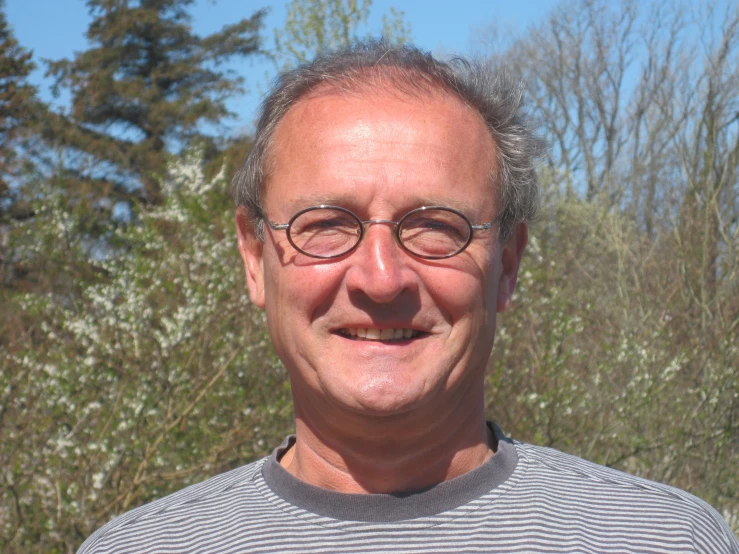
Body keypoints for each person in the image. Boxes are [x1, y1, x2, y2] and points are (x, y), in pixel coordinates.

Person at [78, 40, 739, 554]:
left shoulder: (661, 539)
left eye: (434, 229)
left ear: (505, 263)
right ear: (255, 257)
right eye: (325, 226)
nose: (380, 277)